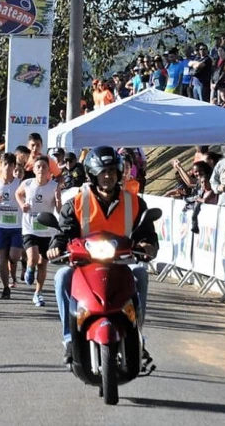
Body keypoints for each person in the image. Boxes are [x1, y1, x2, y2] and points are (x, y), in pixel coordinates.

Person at [47, 146, 158, 364]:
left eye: (111, 171)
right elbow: (64, 231)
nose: (107, 176)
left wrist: (147, 245)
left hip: (121, 263)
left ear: (118, 173)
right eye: (102, 172)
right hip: (85, 265)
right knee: (61, 277)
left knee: (141, 274)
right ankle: (69, 339)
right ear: (92, 174)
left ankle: (137, 334)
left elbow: (147, 232)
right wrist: (56, 245)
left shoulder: (134, 202)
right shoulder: (77, 202)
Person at [16, 155, 61, 307]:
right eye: (38, 167)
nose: (41, 169)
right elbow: (18, 193)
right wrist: (22, 204)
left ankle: (38, 293)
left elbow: (59, 209)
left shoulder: (54, 186)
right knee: (33, 257)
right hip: (30, 227)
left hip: (47, 231)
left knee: (43, 264)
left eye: (44, 167)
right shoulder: (27, 183)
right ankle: (29, 268)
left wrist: (58, 199)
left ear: (49, 170)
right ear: (34, 169)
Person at [0, 153, 23, 299]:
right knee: (3, 257)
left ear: (14, 166)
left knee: (14, 256)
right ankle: (5, 287)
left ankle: (12, 271)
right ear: (0, 165)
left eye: (10, 165)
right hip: (0, 225)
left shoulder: (20, 183)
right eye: (5, 164)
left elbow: (25, 199)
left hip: (16, 226)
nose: (7, 168)